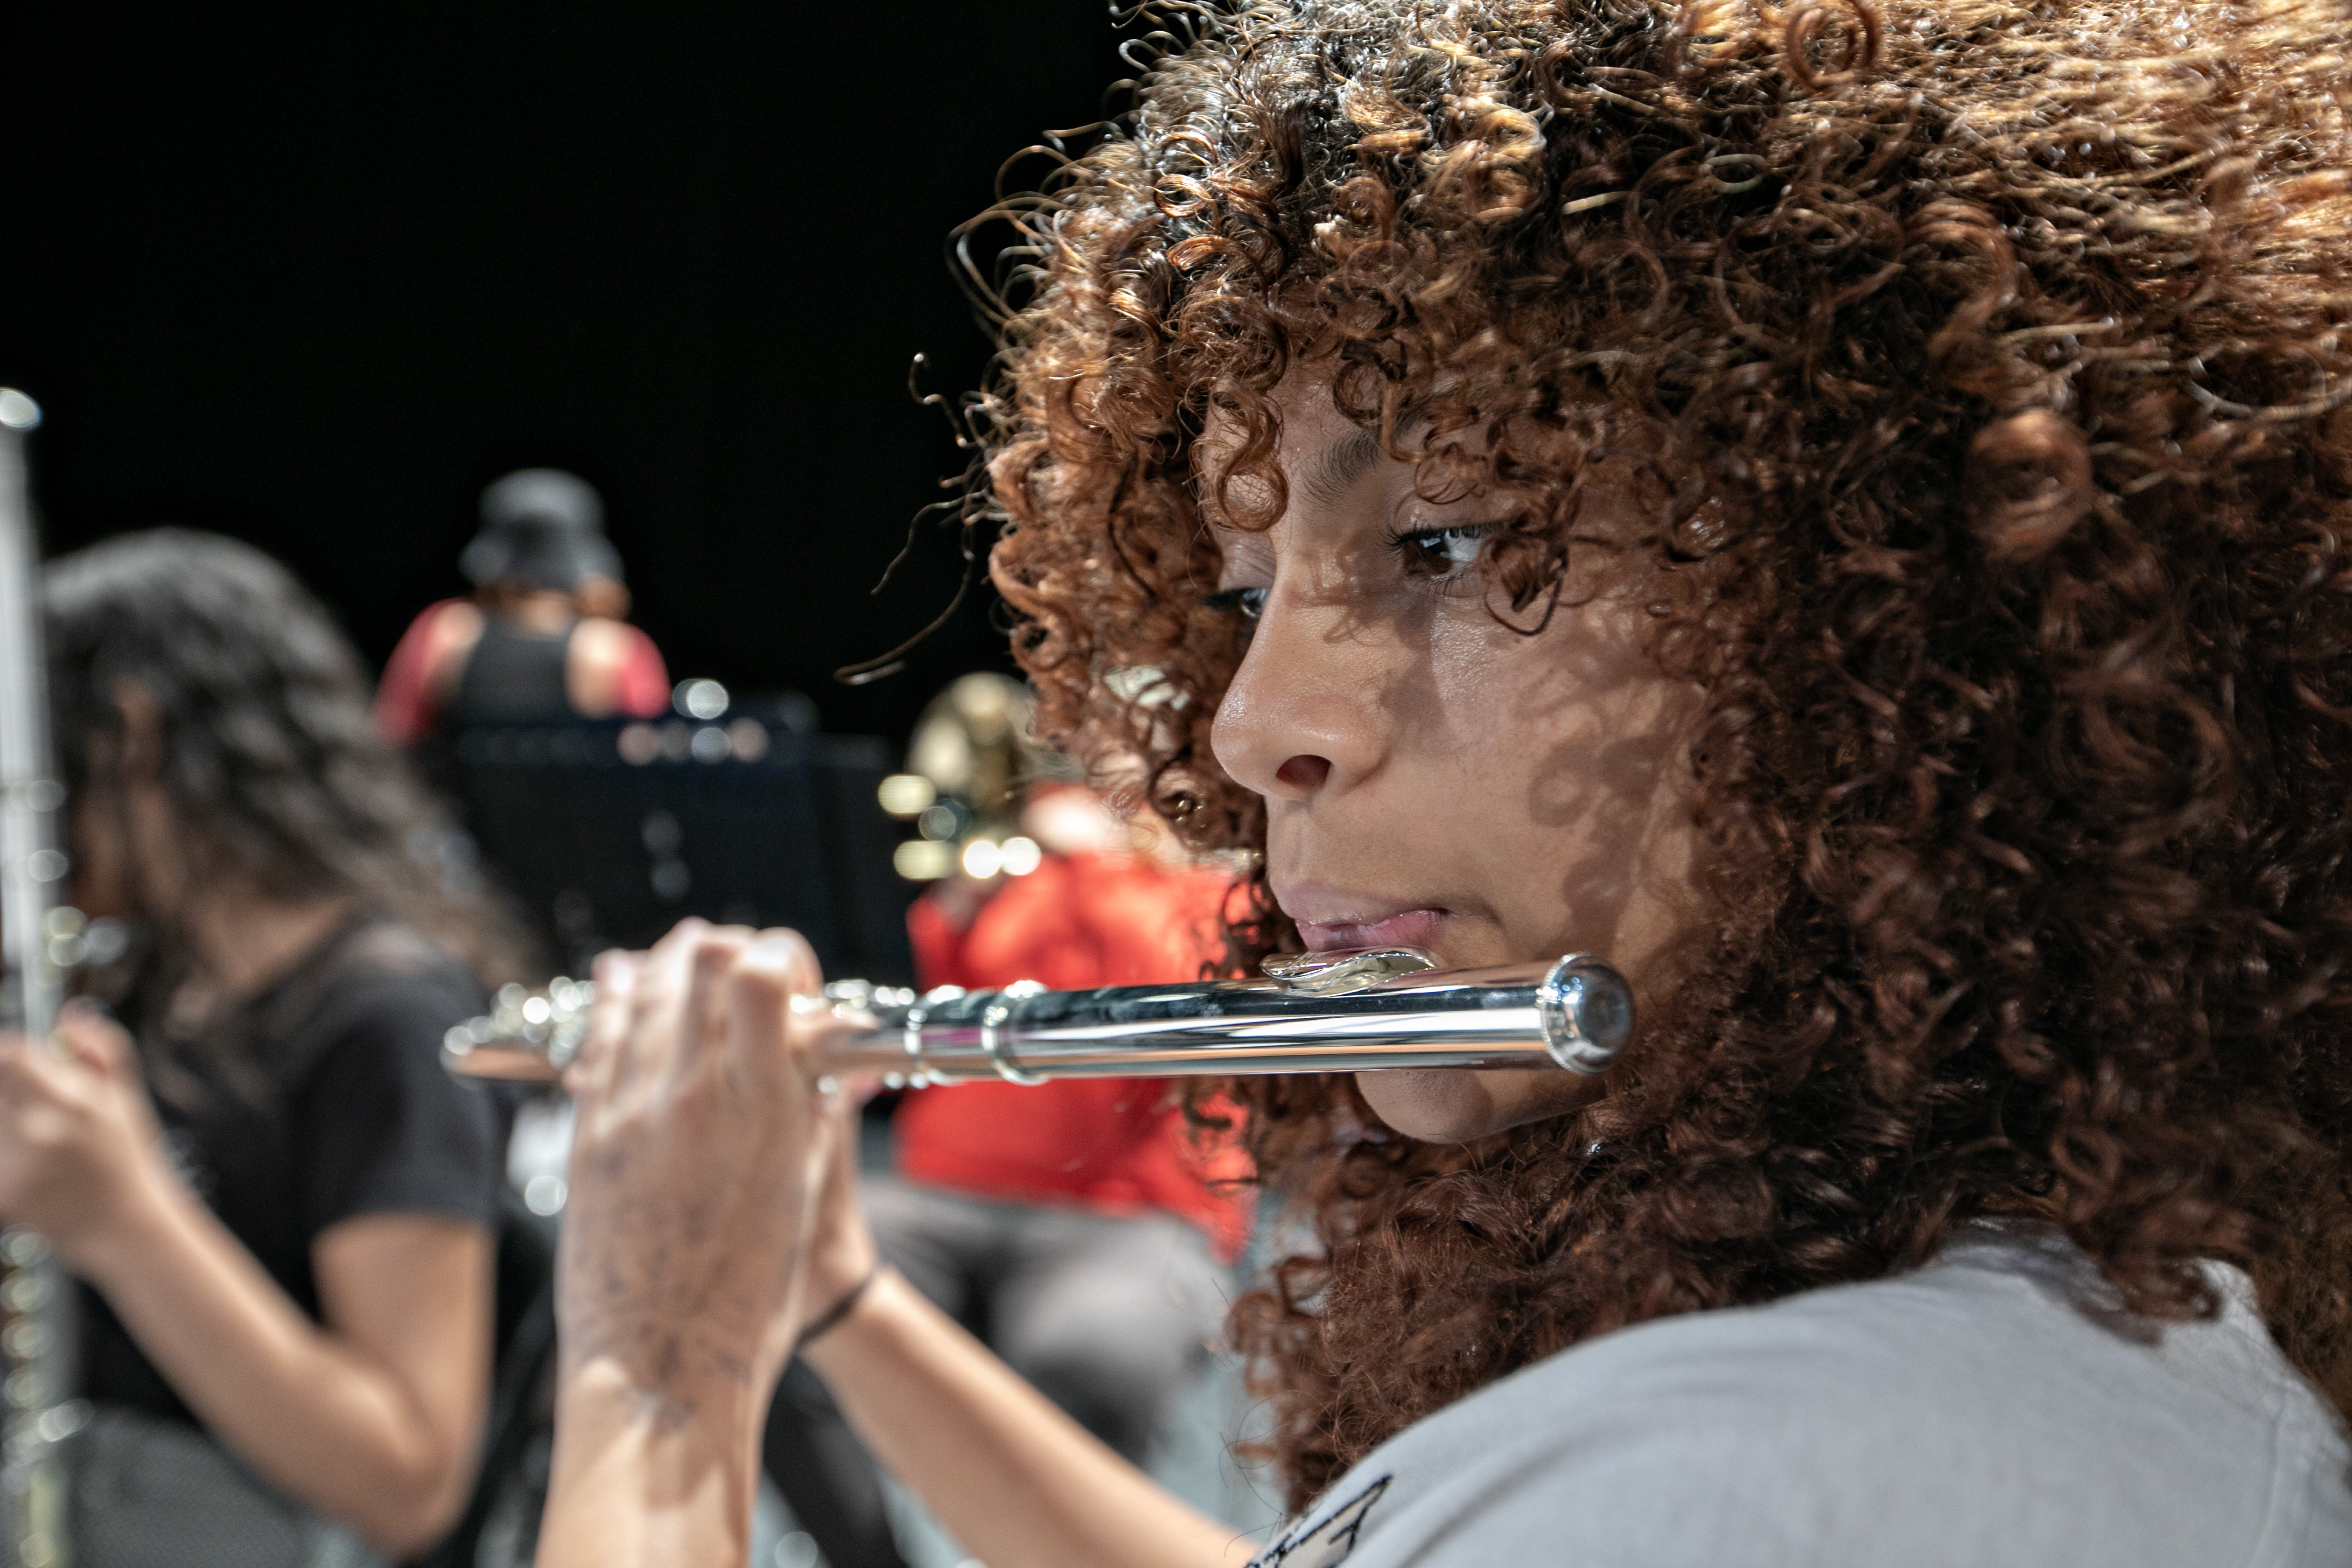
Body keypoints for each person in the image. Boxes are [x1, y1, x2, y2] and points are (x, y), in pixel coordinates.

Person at [538, 3, 2352, 1565]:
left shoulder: (1830, 1459)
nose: (1252, 727)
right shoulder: (1930, 1370)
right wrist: (827, 1288)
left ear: (1939, 610)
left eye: (1451, 539)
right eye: (1245, 597)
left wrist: (651, 1364)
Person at [0, 530, 527, 1567]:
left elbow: (407, 1479)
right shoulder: (159, 985)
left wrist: (121, 1215)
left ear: (132, 737)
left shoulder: (389, 1018)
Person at [763, 674, 1250, 1568]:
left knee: (1089, 1362)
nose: (1091, 752)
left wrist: (1094, 864)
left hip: (1129, 1214)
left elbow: (1159, 1003)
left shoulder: (1211, 869)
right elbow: (936, 990)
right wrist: (959, 903)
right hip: (950, 1191)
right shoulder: (1030, 857)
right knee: (769, 1302)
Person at [374, 468, 669, 741]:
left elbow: (390, 735)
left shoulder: (445, 631)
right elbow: (648, 755)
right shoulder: (613, 648)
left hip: (448, 797)